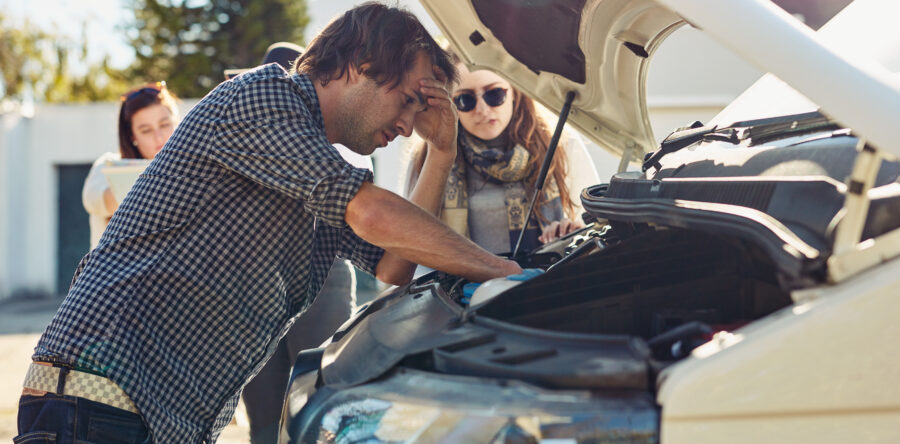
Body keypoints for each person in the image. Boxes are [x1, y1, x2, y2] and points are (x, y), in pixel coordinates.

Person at [16, 3, 521, 443]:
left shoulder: (318, 166)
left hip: (153, 418)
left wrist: (442, 151)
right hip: (96, 401)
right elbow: (371, 211)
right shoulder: (264, 97)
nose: (409, 122)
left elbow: (394, 266)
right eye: (409, 98)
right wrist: (504, 274)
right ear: (361, 64)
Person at [229, 41, 369, 444]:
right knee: (264, 419)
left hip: (322, 279)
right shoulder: (248, 131)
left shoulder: (344, 131)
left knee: (324, 407)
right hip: (255, 287)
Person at [405, 51, 599, 255]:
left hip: (551, 281)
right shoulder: (430, 156)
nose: (482, 109)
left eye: (494, 94)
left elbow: (593, 227)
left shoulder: (562, 145)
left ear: (514, 91)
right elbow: (412, 240)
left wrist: (569, 234)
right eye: (465, 100)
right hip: (465, 286)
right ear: (451, 103)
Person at [82, 82, 179, 248]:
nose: (159, 137)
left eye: (164, 125)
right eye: (146, 130)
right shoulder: (107, 165)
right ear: (132, 136)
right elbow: (93, 200)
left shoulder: (195, 168)